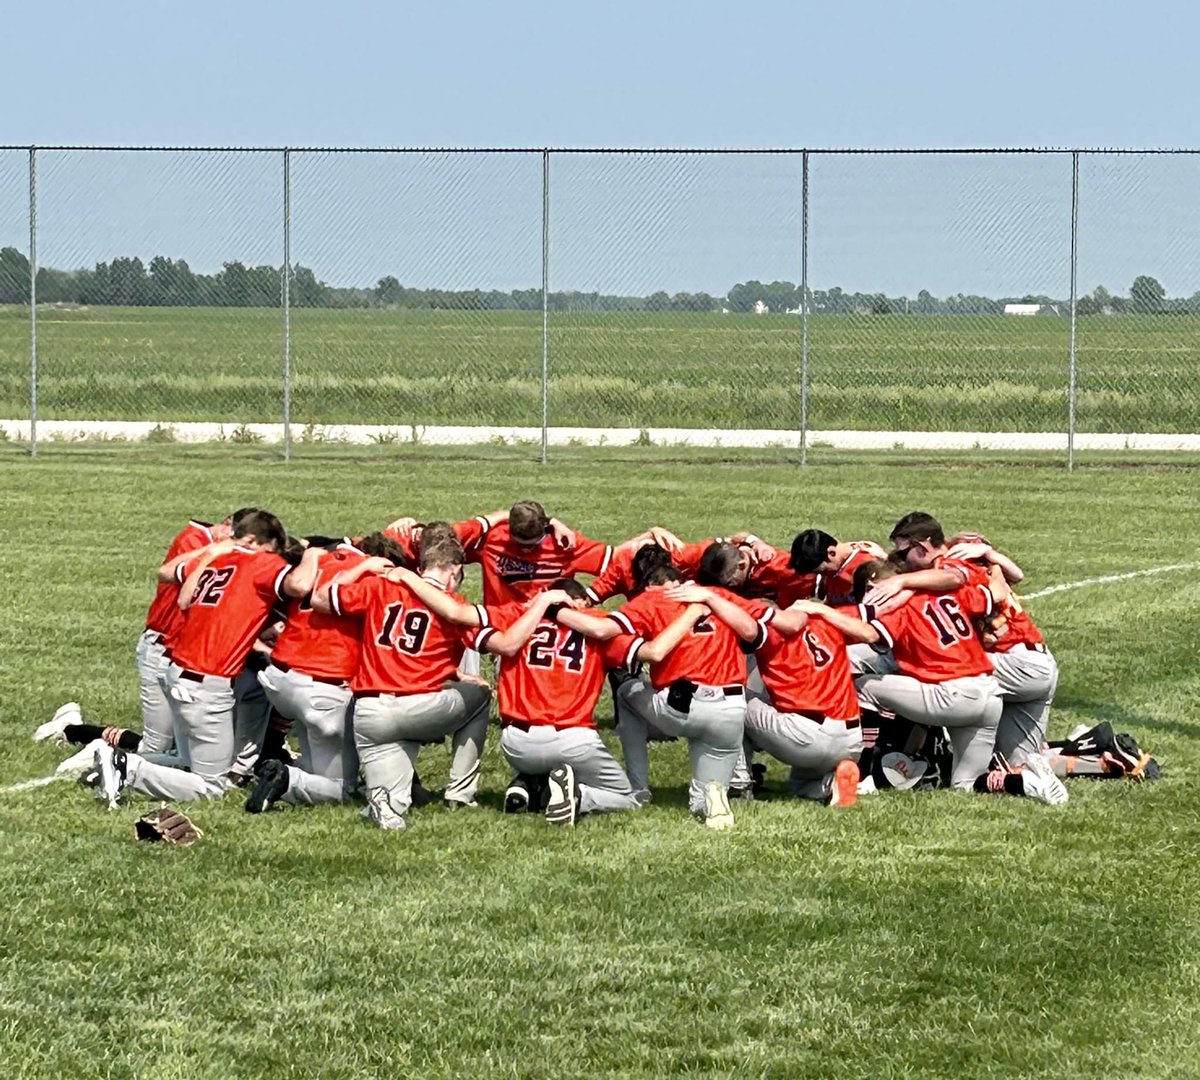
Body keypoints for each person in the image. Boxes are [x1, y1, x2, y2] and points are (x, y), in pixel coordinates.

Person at [91, 510, 291, 805]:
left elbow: (172, 577)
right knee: (212, 787)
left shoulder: (216, 558)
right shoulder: (259, 563)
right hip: (205, 680)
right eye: (270, 549)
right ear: (252, 540)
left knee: (185, 761)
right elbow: (298, 583)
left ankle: (105, 762)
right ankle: (127, 768)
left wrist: (213, 550)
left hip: (176, 668)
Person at [584, 543, 775, 829]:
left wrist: (558, 611)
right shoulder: (719, 596)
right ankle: (717, 793)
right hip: (731, 710)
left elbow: (602, 630)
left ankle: (638, 790)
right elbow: (760, 630)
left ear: (649, 584)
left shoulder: (650, 598)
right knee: (702, 799)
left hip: (683, 704)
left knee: (626, 692)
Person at [314, 532, 493, 831]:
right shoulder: (453, 603)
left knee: (391, 806)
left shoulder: (380, 586)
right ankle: (460, 794)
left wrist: (361, 568)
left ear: (422, 567)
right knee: (481, 694)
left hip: (370, 712)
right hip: (419, 708)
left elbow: (320, 598)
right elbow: (497, 642)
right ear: (455, 570)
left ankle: (385, 802)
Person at [853, 560, 1067, 804]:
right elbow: (996, 592)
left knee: (864, 686)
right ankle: (1026, 783)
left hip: (956, 696)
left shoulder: (899, 608)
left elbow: (870, 635)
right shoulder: (949, 593)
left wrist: (821, 614)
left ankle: (862, 773)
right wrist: (995, 566)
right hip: (991, 694)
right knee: (965, 786)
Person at [245, 533, 406, 814]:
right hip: (321, 690)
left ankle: (284, 773)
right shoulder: (373, 577)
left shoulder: (320, 560)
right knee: (344, 788)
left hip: (280, 678)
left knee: (315, 761)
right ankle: (287, 779)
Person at [746, 598, 875, 805]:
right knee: (800, 785)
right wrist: (822, 609)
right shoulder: (826, 621)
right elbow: (870, 633)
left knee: (737, 703)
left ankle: (739, 782)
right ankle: (832, 785)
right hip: (852, 741)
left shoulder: (769, 632)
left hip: (807, 736)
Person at [786, 529, 888, 608]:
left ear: (831, 553)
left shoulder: (866, 564)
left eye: (821, 571)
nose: (821, 575)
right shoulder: (838, 567)